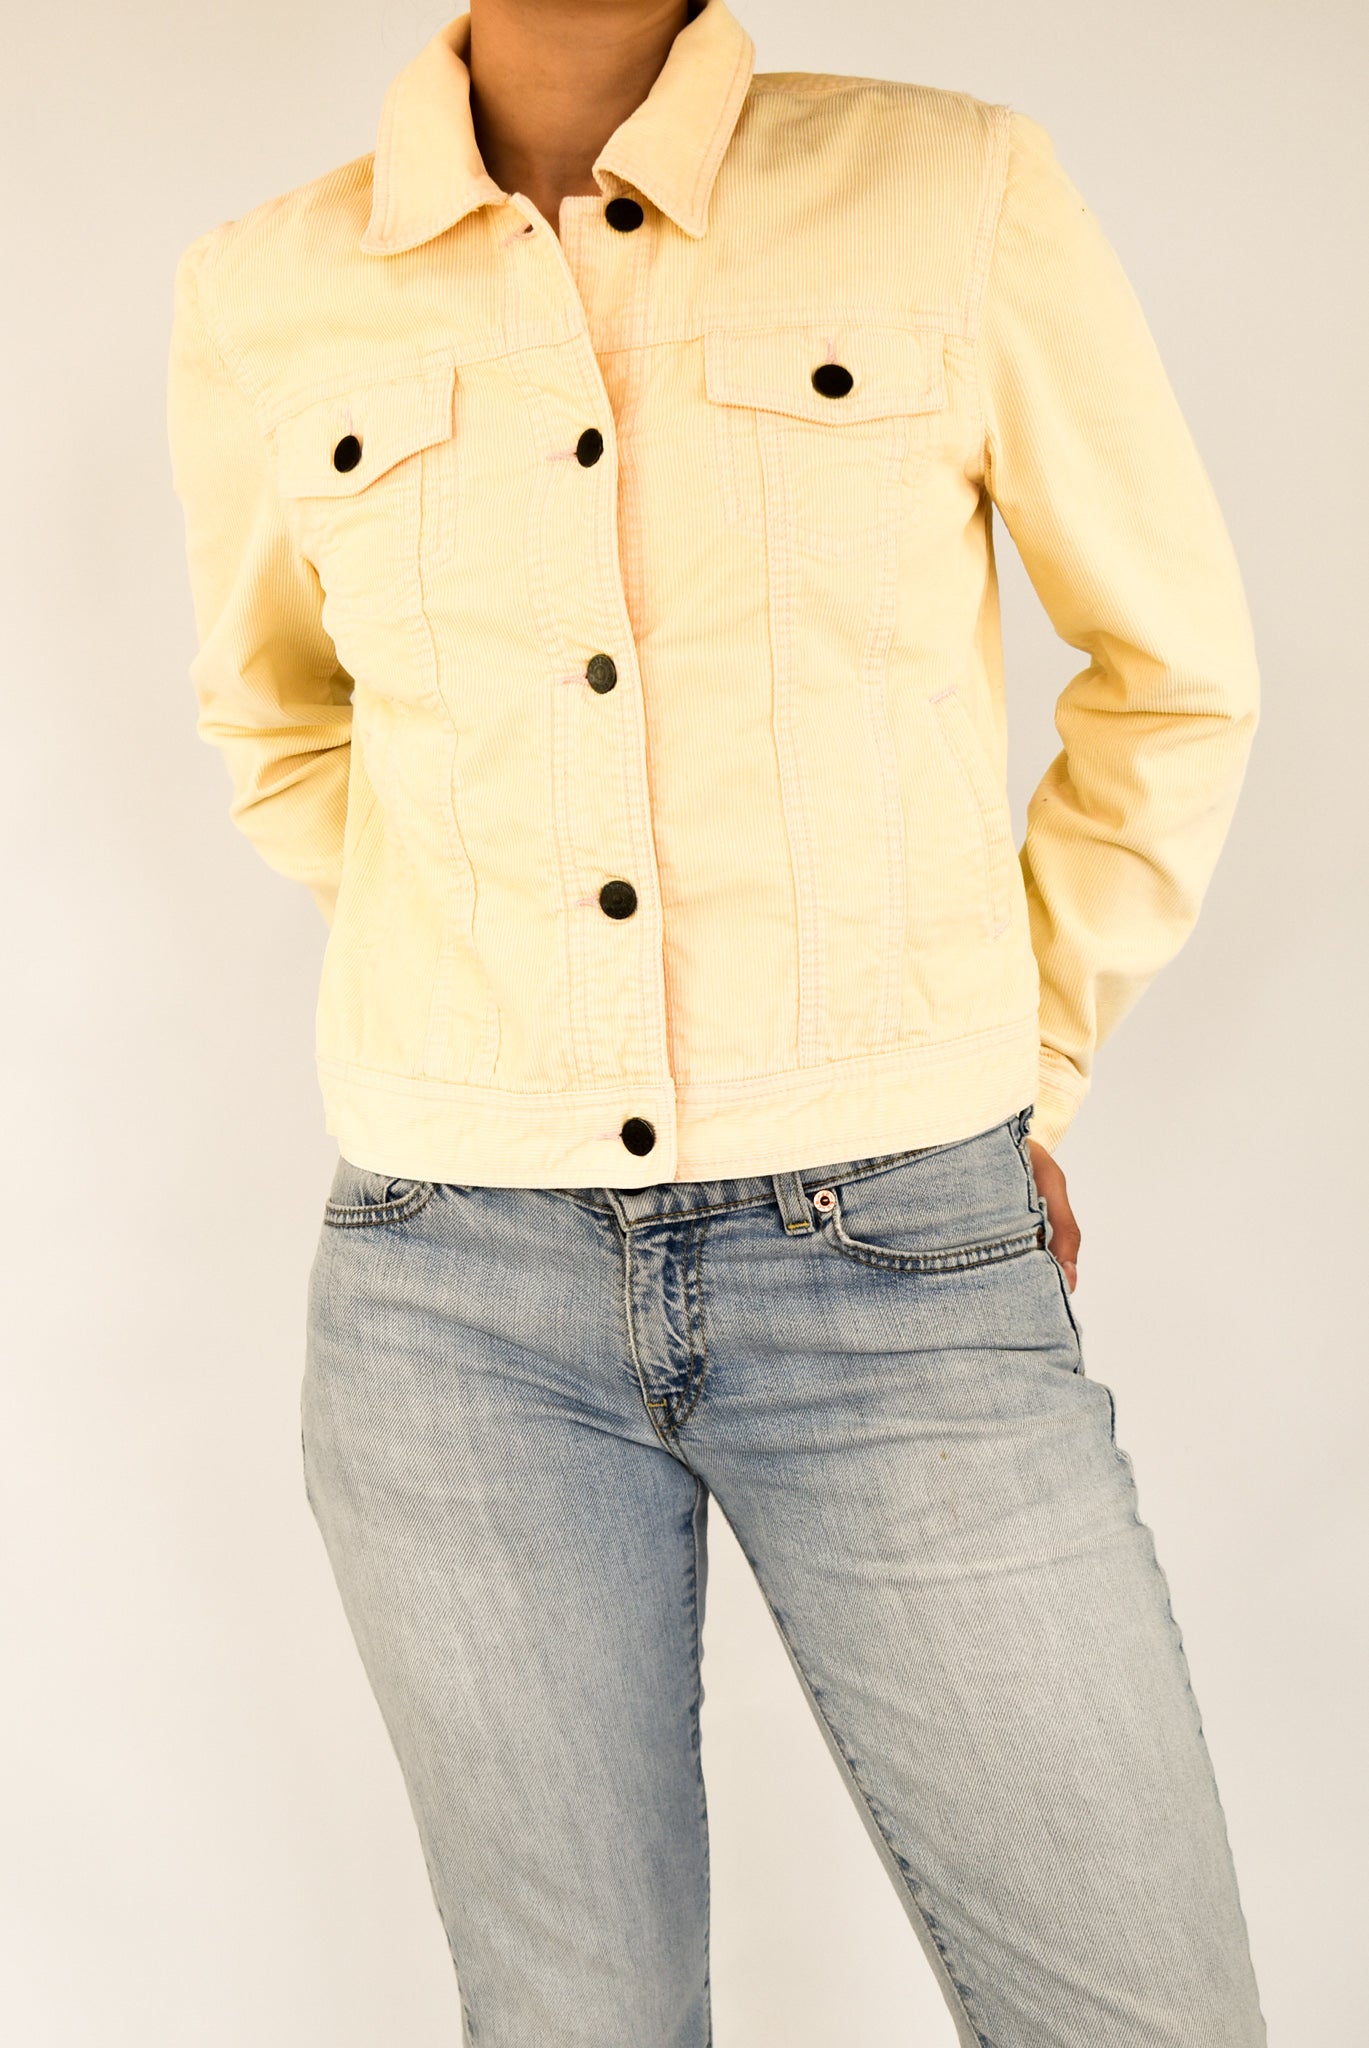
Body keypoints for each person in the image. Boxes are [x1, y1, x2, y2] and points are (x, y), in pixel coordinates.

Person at [165, 2, 1267, 2040]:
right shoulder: (264, 288)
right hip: (447, 1301)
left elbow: (1171, 677)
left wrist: (1023, 1061)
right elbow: (281, 726)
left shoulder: (950, 190)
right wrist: (502, 976)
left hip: (903, 1264)